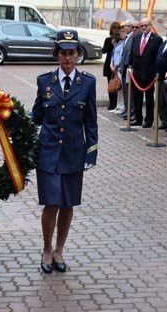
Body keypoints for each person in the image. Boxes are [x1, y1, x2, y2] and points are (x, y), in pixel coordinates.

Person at [32, 29, 98, 274]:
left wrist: (91, 153)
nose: (68, 58)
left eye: (72, 53)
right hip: (48, 152)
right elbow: (37, 114)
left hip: (73, 152)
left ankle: (60, 249)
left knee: (67, 204)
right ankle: (47, 249)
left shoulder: (88, 83)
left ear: (78, 55)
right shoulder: (44, 81)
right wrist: (13, 121)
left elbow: (91, 121)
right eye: (63, 53)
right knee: (51, 202)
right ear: (57, 54)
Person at [130, 17, 162, 128]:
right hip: (137, 74)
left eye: (146, 25)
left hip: (149, 75)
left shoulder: (157, 39)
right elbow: (132, 54)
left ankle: (149, 120)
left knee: (149, 99)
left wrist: (155, 73)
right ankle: (138, 118)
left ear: (150, 25)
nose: (144, 27)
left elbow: (157, 58)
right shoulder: (136, 37)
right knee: (137, 97)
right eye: (142, 25)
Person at [117, 20, 135, 119]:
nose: (126, 28)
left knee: (129, 91)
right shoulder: (126, 38)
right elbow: (123, 54)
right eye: (125, 26)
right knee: (125, 90)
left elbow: (129, 54)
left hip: (129, 68)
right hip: (123, 68)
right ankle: (126, 108)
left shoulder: (133, 37)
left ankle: (130, 110)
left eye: (129, 26)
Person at [102, 21, 120, 111]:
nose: (116, 29)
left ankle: (116, 104)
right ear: (111, 29)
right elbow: (103, 51)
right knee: (110, 84)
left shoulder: (121, 40)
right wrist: (111, 44)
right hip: (109, 65)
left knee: (117, 85)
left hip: (117, 66)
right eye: (114, 27)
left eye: (117, 27)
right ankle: (111, 103)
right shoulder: (108, 40)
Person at [109, 26, 127, 113]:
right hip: (114, 67)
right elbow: (114, 54)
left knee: (121, 87)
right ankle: (118, 105)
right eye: (120, 32)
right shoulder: (119, 42)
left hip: (119, 68)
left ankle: (122, 106)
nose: (121, 34)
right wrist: (111, 64)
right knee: (118, 88)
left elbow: (120, 56)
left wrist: (115, 66)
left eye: (123, 32)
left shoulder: (125, 43)